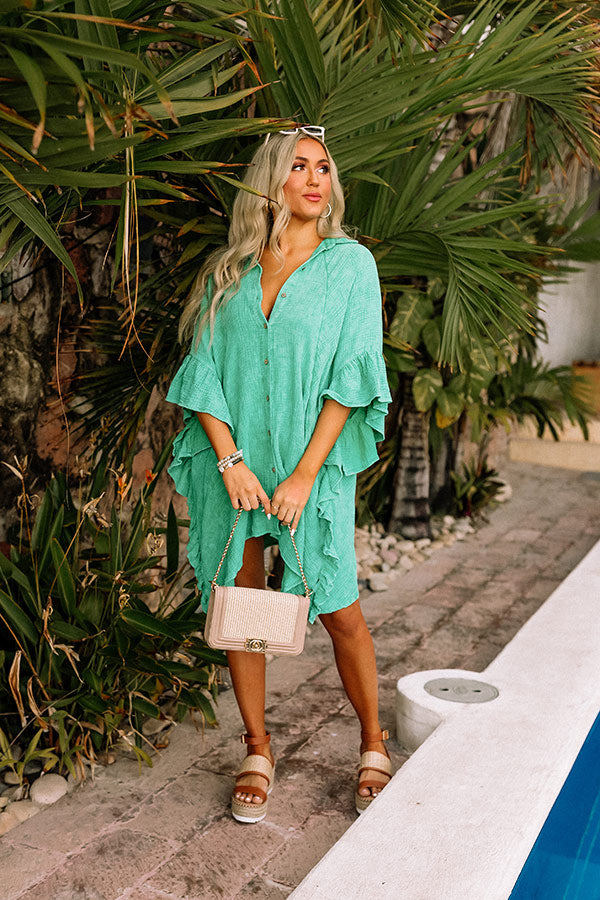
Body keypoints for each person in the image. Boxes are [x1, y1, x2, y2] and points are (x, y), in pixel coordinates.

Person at [165, 125, 393, 824]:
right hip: (235, 471)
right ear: (270, 181)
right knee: (242, 606)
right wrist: (230, 462)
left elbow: (353, 376)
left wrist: (304, 476)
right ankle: (258, 749)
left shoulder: (349, 265)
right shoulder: (228, 270)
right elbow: (203, 372)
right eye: (299, 166)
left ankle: (373, 741)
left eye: (323, 167)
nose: (316, 179)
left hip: (308, 470)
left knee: (339, 606)